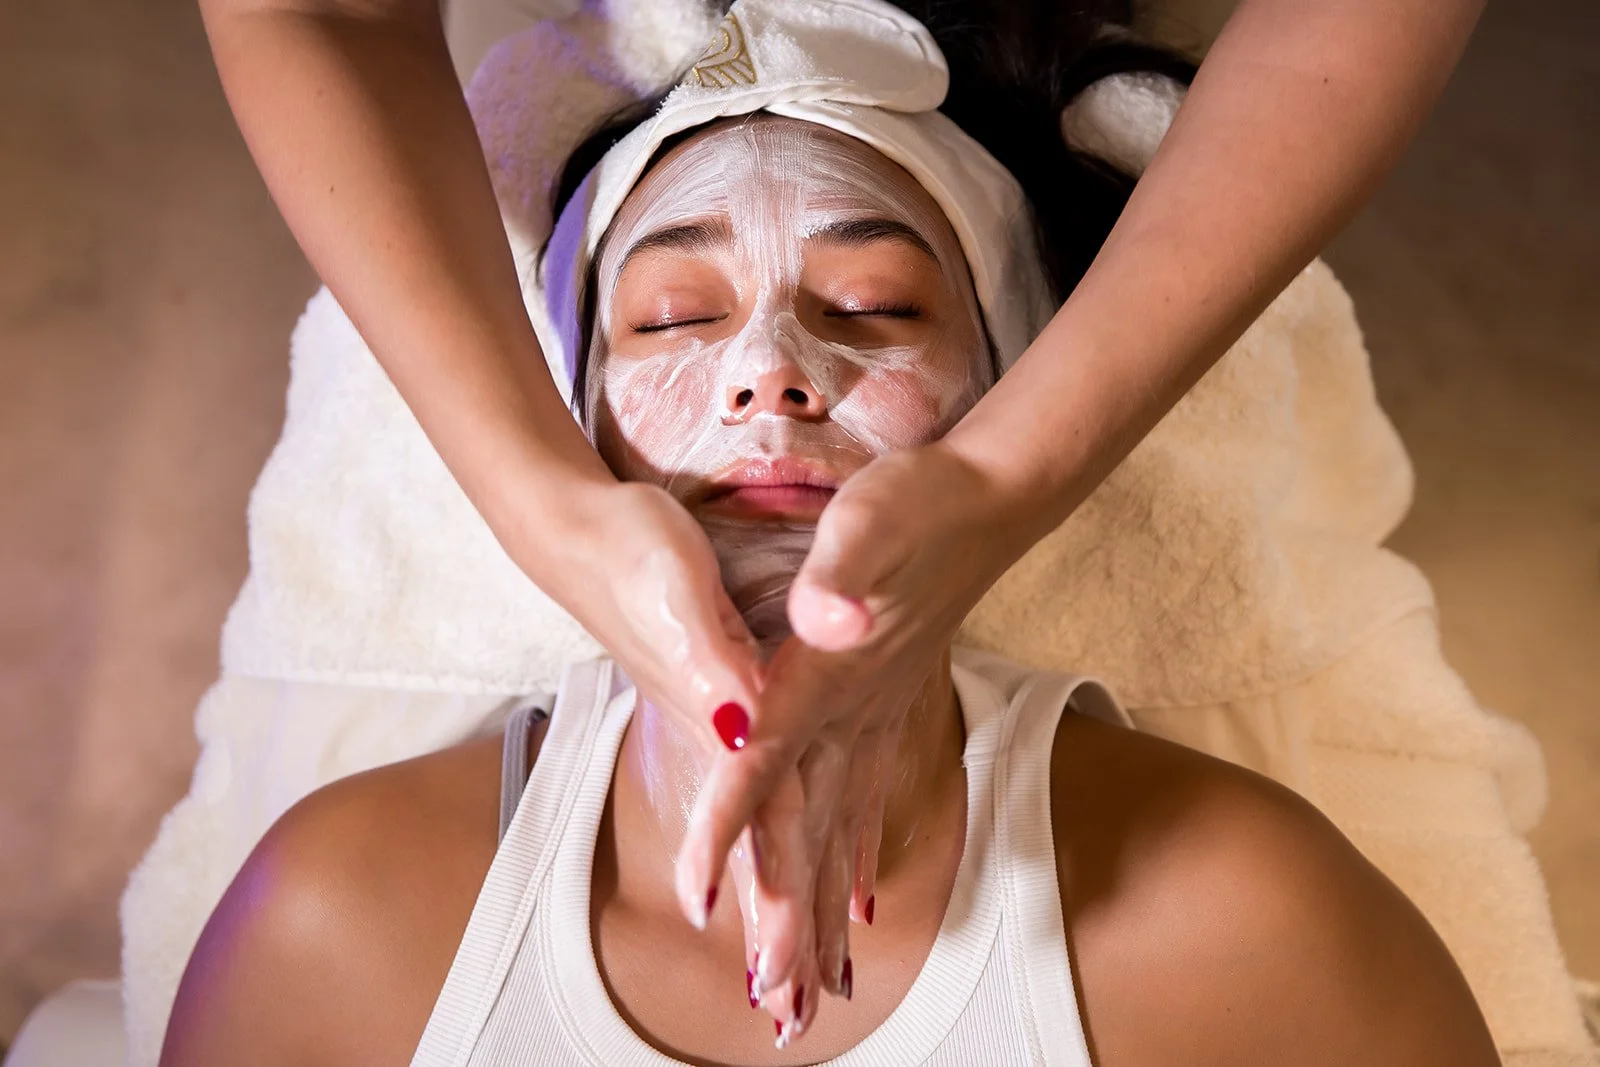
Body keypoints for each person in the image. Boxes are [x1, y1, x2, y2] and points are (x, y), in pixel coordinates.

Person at [190, 0, 1486, 995]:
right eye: (672, 316)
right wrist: (544, 512)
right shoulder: (333, 920)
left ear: (1005, 371)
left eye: (872, 307)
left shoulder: (1260, 933)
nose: (767, 373)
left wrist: (1005, 476)